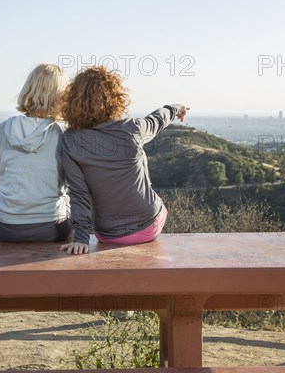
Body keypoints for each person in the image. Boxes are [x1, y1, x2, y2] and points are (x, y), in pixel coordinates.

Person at [59, 65, 189, 254]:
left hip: (108, 233)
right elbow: (158, 118)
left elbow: (79, 194)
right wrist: (177, 108)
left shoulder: (70, 140)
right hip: (148, 227)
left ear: (73, 101)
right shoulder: (133, 129)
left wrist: (81, 239)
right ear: (115, 98)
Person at [0, 64, 71, 242]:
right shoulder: (64, 133)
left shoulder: (3, 129)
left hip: (4, 229)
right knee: (67, 193)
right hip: (54, 229)